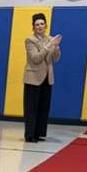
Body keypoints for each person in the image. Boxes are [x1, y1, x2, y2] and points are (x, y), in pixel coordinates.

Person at [23, 13, 61, 143]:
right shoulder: (30, 40)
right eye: (37, 24)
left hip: (47, 78)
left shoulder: (50, 39)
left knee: (43, 107)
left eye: (42, 24)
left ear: (46, 25)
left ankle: (39, 133)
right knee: (31, 108)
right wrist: (48, 46)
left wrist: (56, 47)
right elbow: (35, 58)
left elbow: (55, 59)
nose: (40, 26)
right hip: (33, 77)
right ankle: (29, 135)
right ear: (33, 27)